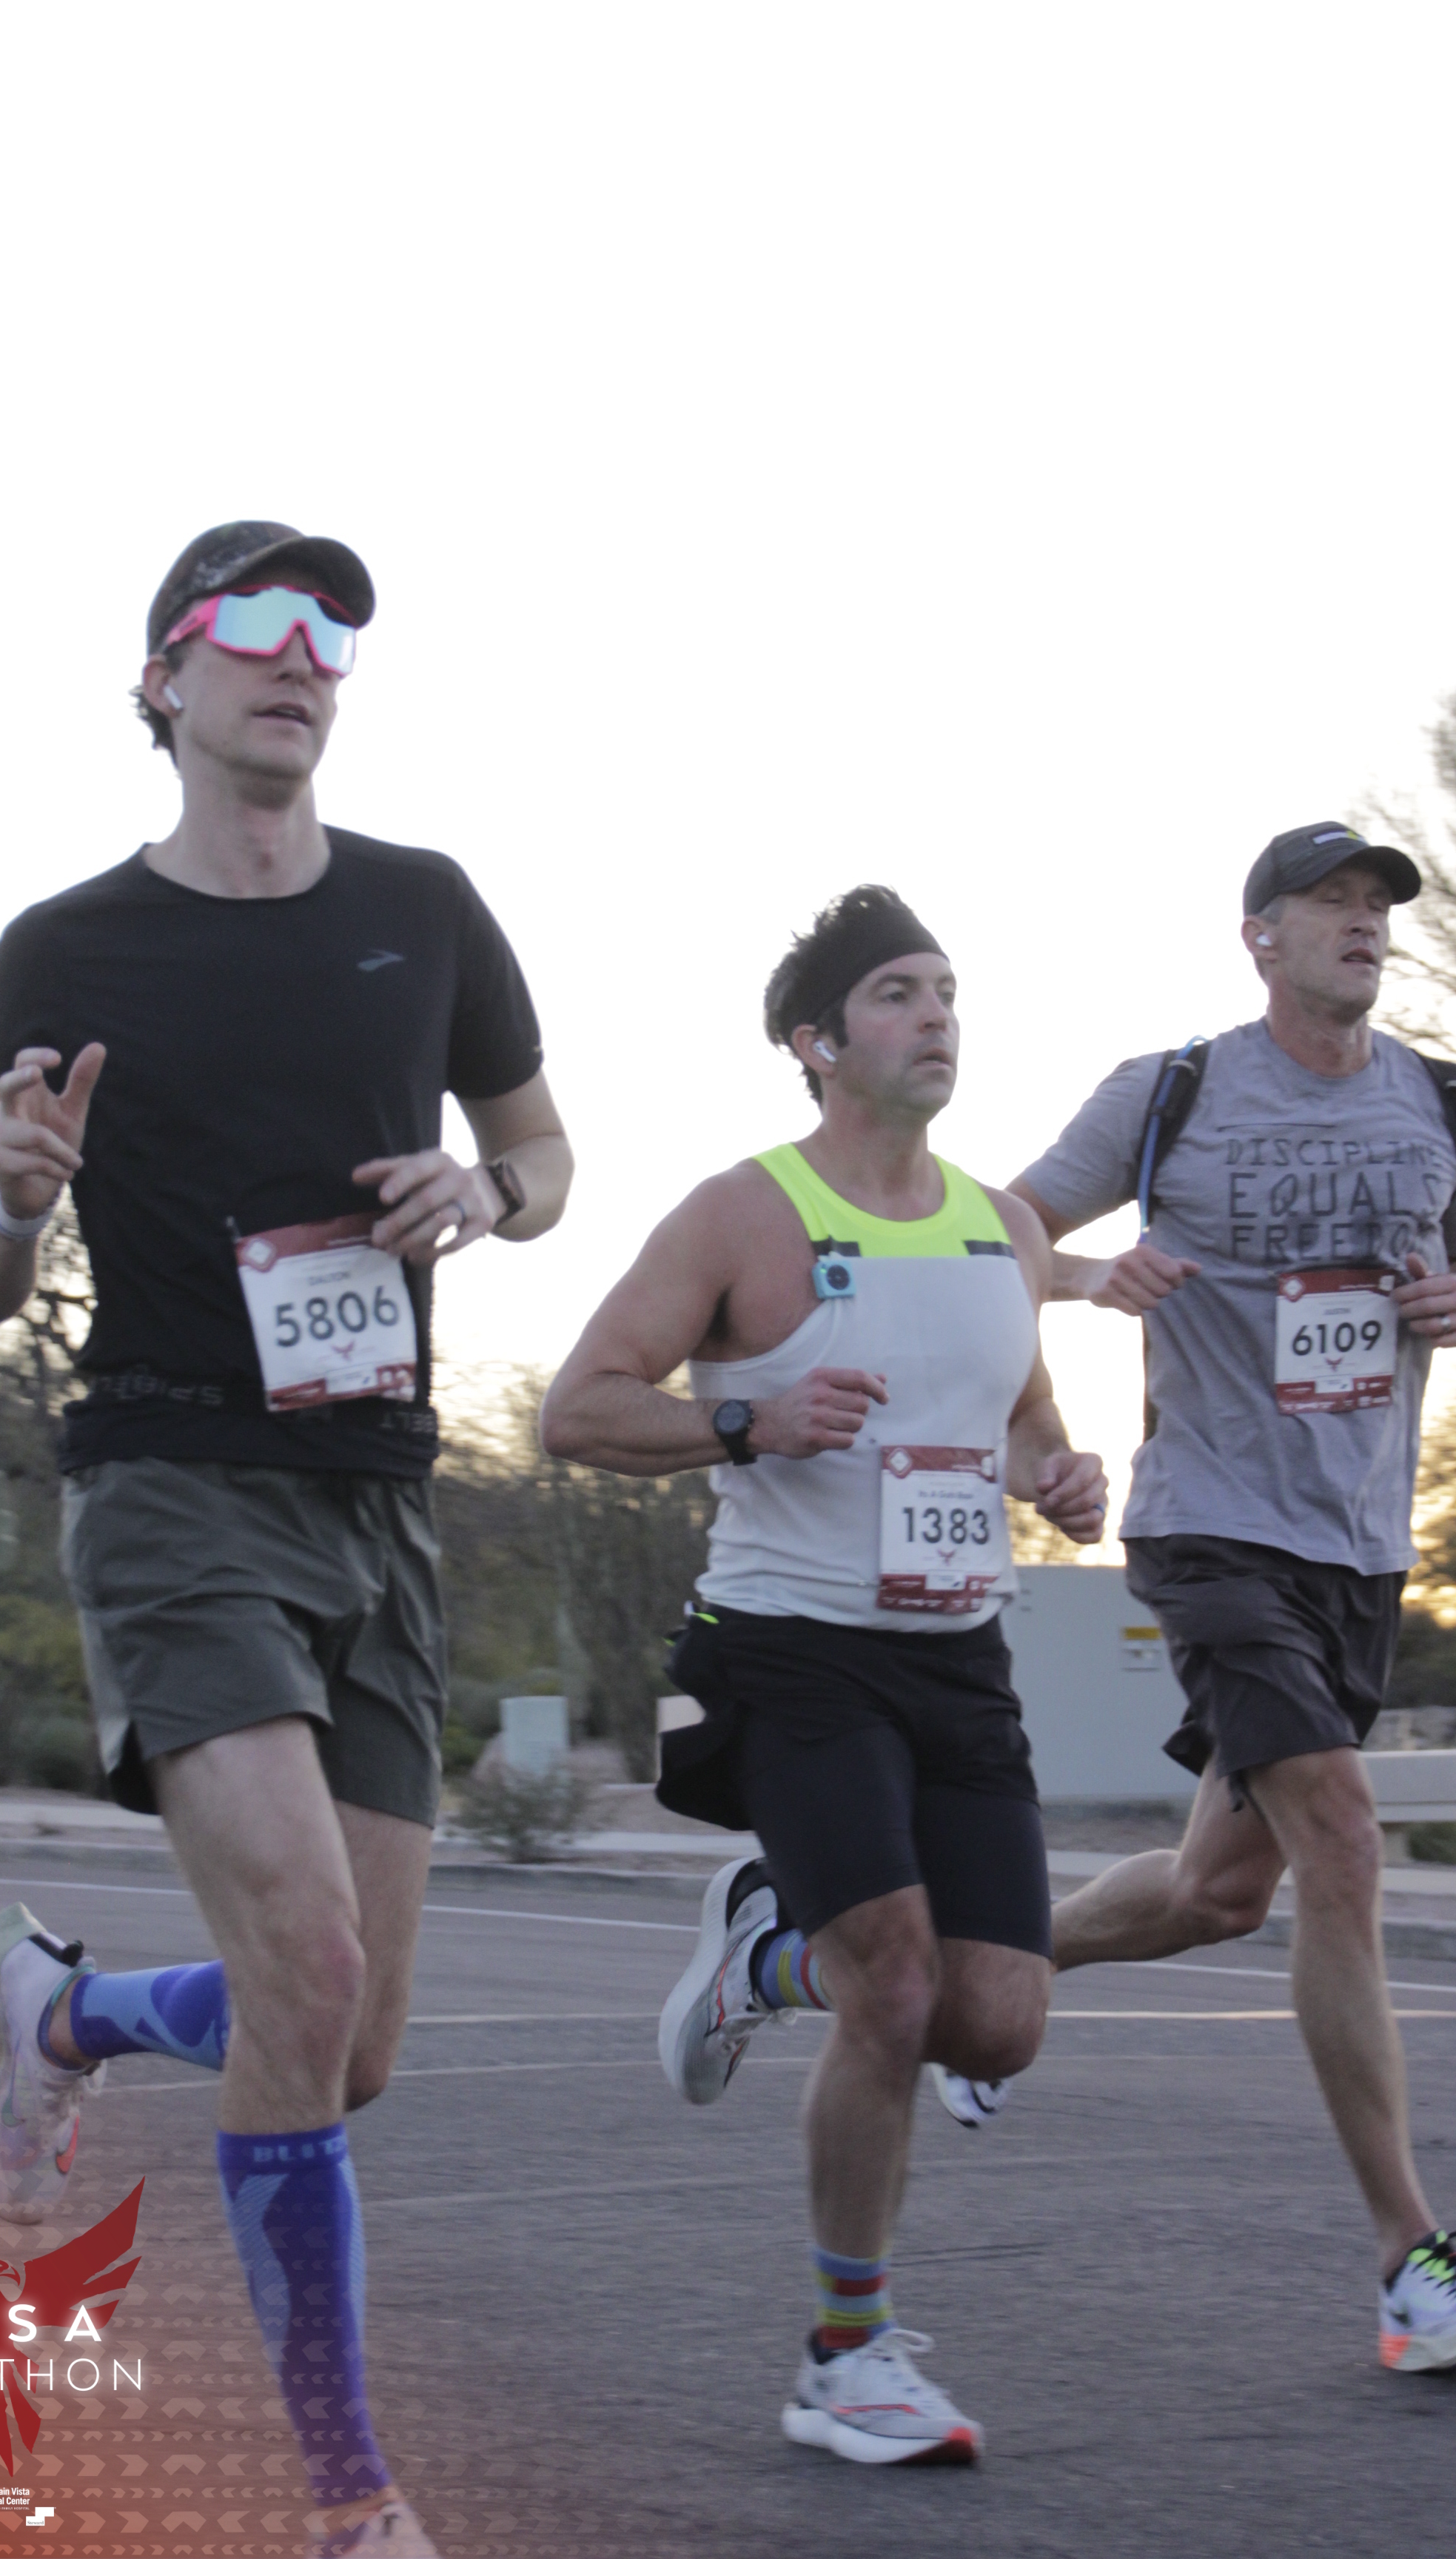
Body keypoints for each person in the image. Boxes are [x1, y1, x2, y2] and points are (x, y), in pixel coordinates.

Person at [0, 520, 572, 2557]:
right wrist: (17, 1200)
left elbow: (545, 1153)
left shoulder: (424, 907)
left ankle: (62, 2017)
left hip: (378, 1493)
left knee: (342, 2041)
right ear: (165, 680)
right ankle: (347, 2502)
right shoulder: (62, 951)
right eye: (261, 624)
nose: (306, 656)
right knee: (306, 1961)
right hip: (172, 1480)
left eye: (335, 633)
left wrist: (487, 1195)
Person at [540, 885, 1107, 2467]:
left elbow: (1025, 1425)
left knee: (996, 2024)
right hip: (785, 1650)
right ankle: (845, 2357)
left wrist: (1060, 1482)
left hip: (958, 1657)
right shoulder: (744, 1213)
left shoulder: (1006, 1228)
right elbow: (577, 1408)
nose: (936, 1018)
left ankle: (765, 1953)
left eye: (947, 991)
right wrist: (745, 1420)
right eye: (898, 994)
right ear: (817, 1042)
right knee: (899, 1990)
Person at [1008, 820, 1456, 2377]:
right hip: (1210, 1525)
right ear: (1259, 934)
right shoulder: (1171, 1092)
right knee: (1344, 1837)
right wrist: (1087, 1280)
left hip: (1360, 1547)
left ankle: (997, 1968)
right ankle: (1411, 2260)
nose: (1361, 923)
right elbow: (999, 1226)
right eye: (1330, 902)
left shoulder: (1437, 1100)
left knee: (1220, 1894)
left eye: (1375, 904)